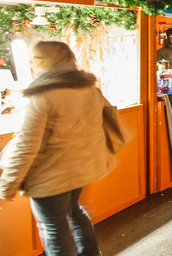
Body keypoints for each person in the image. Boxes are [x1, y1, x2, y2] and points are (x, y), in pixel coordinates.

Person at [0, 41, 115, 255]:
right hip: (80, 168)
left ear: (45, 62)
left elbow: (26, 145)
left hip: (50, 174)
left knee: (54, 227)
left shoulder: (42, 96)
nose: (32, 64)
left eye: (34, 59)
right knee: (75, 211)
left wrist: (7, 184)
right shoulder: (87, 87)